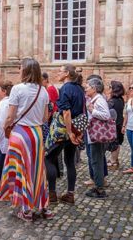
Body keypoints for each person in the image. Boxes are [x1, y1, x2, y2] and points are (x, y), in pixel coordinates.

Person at [0, 58, 53, 222]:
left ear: (26, 71)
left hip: (20, 133)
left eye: (20, 68)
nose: (19, 70)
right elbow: (44, 118)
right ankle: (43, 206)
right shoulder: (43, 91)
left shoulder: (17, 89)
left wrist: (5, 127)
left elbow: (10, 115)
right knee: (38, 171)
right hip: (37, 135)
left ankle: (27, 209)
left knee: (22, 170)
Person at [45, 64, 85, 204]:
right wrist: (78, 132)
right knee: (69, 162)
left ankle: (52, 194)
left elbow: (66, 112)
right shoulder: (80, 88)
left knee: (48, 159)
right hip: (75, 129)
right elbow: (82, 112)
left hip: (64, 131)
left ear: (67, 73)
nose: (58, 73)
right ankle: (70, 194)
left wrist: (69, 132)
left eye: (60, 71)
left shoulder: (66, 88)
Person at [84, 78, 111, 198]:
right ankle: (98, 185)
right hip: (93, 135)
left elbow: (106, 115)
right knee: (95, 161)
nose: (86, 88)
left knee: (97, 161)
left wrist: (92, 110)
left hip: (97, 136)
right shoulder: (94, 99)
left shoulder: (99, 100)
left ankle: (100, 189)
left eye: (88, 87)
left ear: (94, 89)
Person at [107, 81, 126, 170]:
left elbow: (108, 113)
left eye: (110, 87)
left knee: (114, 143)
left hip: (114, 124)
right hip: (119, 123)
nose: (108, 89)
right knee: (117, 142)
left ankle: (113, 161)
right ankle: (115, 160)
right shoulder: (120, 99)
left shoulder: (112, 101)